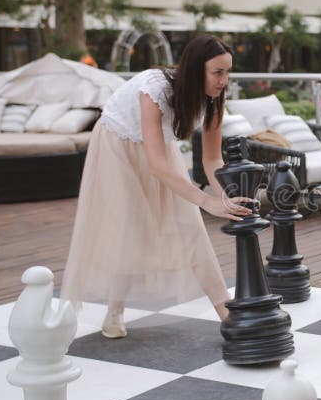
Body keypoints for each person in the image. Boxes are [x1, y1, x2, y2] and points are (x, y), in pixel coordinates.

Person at [61, 35, 251, 339]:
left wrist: (223, 196)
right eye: (217, 72)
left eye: (227, 72)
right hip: (116, 144)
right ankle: (115, 310)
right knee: (129, 226)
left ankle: (226, 314)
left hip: (157, 150)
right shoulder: (155, 88)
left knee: (192, 225)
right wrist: (206, 201)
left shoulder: (215, 100)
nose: (224, 80)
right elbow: (157, 165)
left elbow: (212, 159)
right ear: (195, 70)